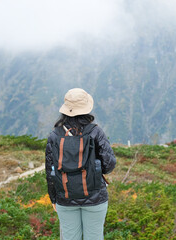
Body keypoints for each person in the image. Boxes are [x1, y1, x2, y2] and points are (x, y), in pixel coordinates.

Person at [45, 88, 116, 240]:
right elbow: (109, 165)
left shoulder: (54, 135)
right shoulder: (95, 132)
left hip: (65, 196)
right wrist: (93, 167)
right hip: (95, 195)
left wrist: (53, 198)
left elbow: (50, 171)